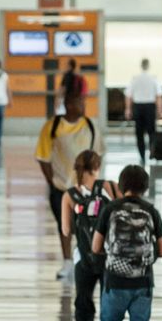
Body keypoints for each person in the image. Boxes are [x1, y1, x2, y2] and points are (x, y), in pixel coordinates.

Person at [92, 164, 162, 321]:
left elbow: (95, 247)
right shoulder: (151, 211)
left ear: (121, 186)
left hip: (115, 282)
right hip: (143, 284)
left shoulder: (110, 209)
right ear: (145, 187)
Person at [61, 149, 116, 321]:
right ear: (97, 167)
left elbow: (66, 230)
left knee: (83, 312)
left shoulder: (69, 195)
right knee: (107, 313)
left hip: (83, 260)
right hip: (109, 258)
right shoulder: (111, 187)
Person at [36, 91, 102, 278]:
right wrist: (52, 182)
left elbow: (98, 154)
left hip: (86, 189)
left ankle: (82, 259)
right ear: (69, 105)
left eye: (84, 102)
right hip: (61, 187)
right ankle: (67, 262)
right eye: (80, 103)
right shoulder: (53, 126)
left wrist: (93, 181)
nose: (83, 106)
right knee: (64, 225)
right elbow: (43, 157)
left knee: (86, 225)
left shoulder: (90, 126)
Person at [129, 58, 162, 163]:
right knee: (151, 132)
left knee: (139, 133)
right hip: (149, 107)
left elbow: (128, 95)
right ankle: (152, 153)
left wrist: (128, 109)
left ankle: (142, 155)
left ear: (141, 66)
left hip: (138, 107)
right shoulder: (153, 79)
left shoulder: (135, 79)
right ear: (148, 66)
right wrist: (160, 110)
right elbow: (158, 96)